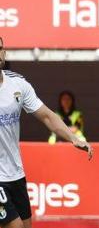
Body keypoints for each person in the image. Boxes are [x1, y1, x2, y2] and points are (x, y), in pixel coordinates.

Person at [0, 36, 92, 228]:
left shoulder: (18, 84)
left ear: (4, 52)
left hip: (15, 172)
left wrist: (72, 137)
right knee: (14, 226)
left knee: (26, 225)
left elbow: (47, 116)